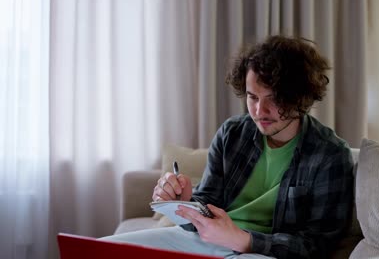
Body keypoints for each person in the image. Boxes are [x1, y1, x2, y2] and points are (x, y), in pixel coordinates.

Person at [102, 35, 354, 259]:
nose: (259, 111)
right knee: (104, 250)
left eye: (273, 99)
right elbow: (208, 203)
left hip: (262, 253)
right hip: (205, 241)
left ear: (301, 97)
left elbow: (318, 246)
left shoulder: (330, 155)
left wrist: (244, 240)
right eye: (252, 97)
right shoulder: (232, 133)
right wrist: (185, 203)